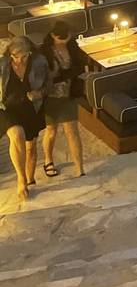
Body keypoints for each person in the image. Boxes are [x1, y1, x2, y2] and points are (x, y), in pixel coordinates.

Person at [0, 36, 51, 201]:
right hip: (7, 108)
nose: (19, 61)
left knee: (31, 146)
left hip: (31, 107)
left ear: (30, 53)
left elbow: (48, 84)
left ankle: (30, 179)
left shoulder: (39, 62)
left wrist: (39, 93)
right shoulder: (3, 63)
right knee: (17, 135)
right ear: (10, 54)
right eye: (15, 57)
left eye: (23, 57)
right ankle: (21, 179)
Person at [40, 21, 85, 178]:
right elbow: (41, 76)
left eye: (67, 36)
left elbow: (81, 64)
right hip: (50, 97)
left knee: (72, 130)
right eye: (62, 37)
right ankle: (48, 159)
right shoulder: (44, 51)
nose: (65, 40)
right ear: (53, 35)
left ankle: (79, 168)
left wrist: (67, 75)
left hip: (68, 94)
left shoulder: (72, 46)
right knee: (51, 131)